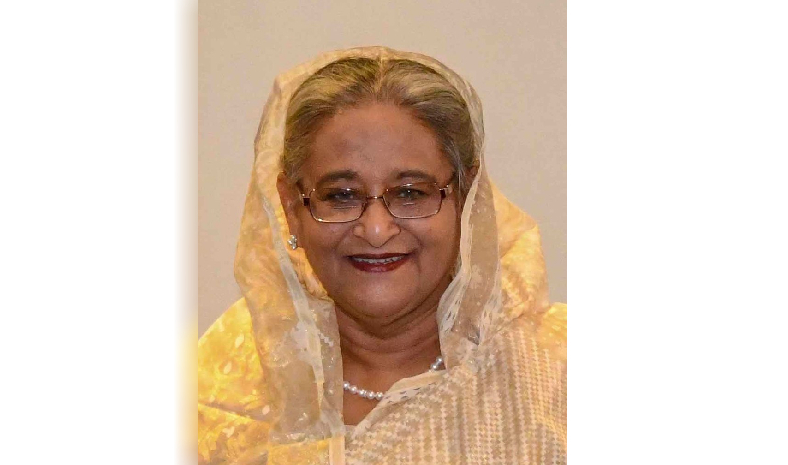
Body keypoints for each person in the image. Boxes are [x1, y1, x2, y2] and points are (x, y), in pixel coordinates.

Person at [198, 46, 566, 464]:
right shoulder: (215, 394)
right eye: (341, 195)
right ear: (291, 208)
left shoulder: (558, 375)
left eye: (410, 192)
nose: (375, 230)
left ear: (466, 200)